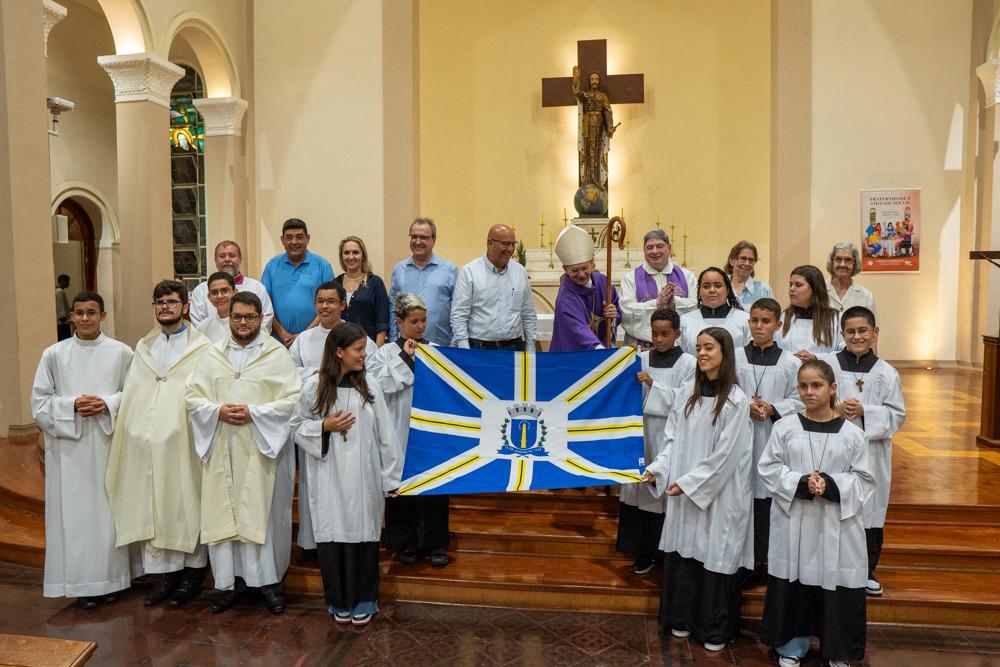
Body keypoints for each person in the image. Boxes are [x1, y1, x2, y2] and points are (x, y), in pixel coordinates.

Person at [186, 292, 302, 615]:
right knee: (226, 514)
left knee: (265, 516)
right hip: (222, 445)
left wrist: (255, 413)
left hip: (263, 449)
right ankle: (231, 583)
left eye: (250, 317)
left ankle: (269, 583)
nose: (243, 323)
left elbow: (293, 399)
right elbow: (192, 397)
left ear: (260, 318)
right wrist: (217, 411)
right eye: (237, 316)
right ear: (229, 318)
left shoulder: (276, 355)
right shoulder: (212, 355)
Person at [642, 327, 754, 652]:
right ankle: (682, 619)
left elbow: (726, 456)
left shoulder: (735, 401)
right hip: (682, 487)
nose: (702, 353)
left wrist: (689, 484)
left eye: (709, 348)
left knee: (714, 553)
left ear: (725, 353)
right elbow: (672, 440)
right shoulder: (686, 394)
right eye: (700, 348)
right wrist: (659, 468)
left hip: (719, 494)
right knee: (684, 551)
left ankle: (713, 629)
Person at [758, 360, 874, 667]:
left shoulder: (853, 434)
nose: (809, 392)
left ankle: (838, 650)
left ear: (832, 388)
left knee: (835, 582)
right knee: (795, 581)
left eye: (816, 385)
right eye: (803, 386)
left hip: (836, 523)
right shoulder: (785, 427)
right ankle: (791, 646)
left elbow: (865, 479)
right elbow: (768, 468)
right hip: (795, 518)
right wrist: (801, 482)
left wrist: (832, 484)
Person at [106, 280, 212, 608]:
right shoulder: (144, 346)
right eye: (159, 302)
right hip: (148, 441)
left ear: (185, 306)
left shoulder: (202, 347)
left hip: (184, 438)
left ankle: (193, 572)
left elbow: (205, 389)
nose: (165, 307)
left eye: (171, 302)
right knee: (157, 503)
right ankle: (168, 576)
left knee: (185, 501)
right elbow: (135, 389)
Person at [290, 323, 403, 626]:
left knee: (363, 536)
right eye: (358, 350)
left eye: (364, 349)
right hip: (328, 475)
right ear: (339, 352)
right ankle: (338, 600)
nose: (364, 355)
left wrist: (391, 478)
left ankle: (364, 599)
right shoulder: (315, 388)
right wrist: (323, 427)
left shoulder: (370, 386)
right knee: (332, 536)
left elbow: (386, 435)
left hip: (364, 478)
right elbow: (296, 427)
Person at [31, 291, 133, 608]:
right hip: (69, 451)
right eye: (79, 313)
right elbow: (39, 403)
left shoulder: (122, 353)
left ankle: (113, 580)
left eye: (91, 312)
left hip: (107, 444)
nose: (85, 318)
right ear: (71, 316)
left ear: (103, 315)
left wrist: (108, 403)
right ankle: (80, 583)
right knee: (75, 517)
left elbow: (134, 395)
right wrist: (72, 405)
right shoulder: (54, 354)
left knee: (108, 515)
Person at [818, 306, 905, 597]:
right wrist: (835, 407)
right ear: (842, 333)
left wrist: (866, 411)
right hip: (833, 448)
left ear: (874, 332)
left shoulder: (887, 373)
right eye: (850, 331)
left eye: (863, 331)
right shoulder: (828, 364)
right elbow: (810, 396)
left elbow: (897, 415)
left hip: (872, 453)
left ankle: (866, 570)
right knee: (833, 503)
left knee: (869, 510)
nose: (856, 337)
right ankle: (828, 567)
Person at [289, 280, 377, 560]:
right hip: (319, 422)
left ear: (343, 304)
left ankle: (350, 546)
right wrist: (317, 374)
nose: (324, 307)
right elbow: (289, 374)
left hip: (352, 423)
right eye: (320, 301)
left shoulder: (359, 337)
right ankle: (312, 541)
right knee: (316, 490)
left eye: (330, 301)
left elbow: (371, 373)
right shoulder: (304, 339)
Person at [374, 294, 450, 567]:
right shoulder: (385, 353)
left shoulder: (437, 351)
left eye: (423, 321)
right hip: (398, 426)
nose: (420, 326)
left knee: (433, 484)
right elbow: (381, 385)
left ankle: (436, 542)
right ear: (399, 322)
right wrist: (405, 356)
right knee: (401, 484)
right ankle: (407, 541)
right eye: (414, 321)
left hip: (430, 428)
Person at [618, 308, 695, 575]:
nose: (659, 339)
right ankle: (644, 551)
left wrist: (654, 385)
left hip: (670, 435)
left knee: (662, 492)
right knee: (639, 492)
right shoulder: (641, 358)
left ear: (677, 333)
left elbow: (688, 399)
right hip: (641, 432)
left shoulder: (689, 363)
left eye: (665, 334)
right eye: (654, 334)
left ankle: (666, 554)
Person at [733, 297, 802, 570]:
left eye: (765, 321)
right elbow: (726, 391)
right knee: (742, 496)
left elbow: (799, 399)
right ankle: (743, 560)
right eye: (754, 320)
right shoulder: (735, 356)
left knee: (767, 500)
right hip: (740, 435)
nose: (759, 326)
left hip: (774, 437)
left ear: (778, 325)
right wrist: (745, 407)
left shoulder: (790, 363)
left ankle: (765, 561)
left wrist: (774, 408)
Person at [451, 224, 537, 351]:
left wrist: (530, 346)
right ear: (490, 243)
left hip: (513, 347)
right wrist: (465, 350)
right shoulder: (469, 272)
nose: (510, 249)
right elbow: (459, 315)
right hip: (480, 348)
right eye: (506, 244)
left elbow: (528, 313)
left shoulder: (520, 272)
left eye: (513, 244)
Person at [262, 219, 335, 348]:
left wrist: (304, 335)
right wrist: (281, 332)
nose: (294, 242)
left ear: (308, 239)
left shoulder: (322, 265)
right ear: (282, 240)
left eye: (299, 237)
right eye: (289, 237)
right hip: (279, 341)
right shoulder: (271, 266)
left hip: (315, 339)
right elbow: (265, 304)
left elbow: (329, 304)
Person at [620, 230, 698, 349]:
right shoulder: (630, 278)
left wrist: (674, 303)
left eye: (660, 246)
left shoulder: (687, 276)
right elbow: (626, 312)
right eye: (649, 247)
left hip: (679, 347)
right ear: (644, 250)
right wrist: (656, 304)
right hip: (643, 349)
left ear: (669, 248)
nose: (655, 251)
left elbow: (697, 307)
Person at [549, 224, 621, 351]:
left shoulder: (602, 282)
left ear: (592, 263)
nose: (581, 274)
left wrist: (613, 314)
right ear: (565, 269)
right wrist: (599, 349)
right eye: (574, 270)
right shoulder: (565, 296)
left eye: (584, 268)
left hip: (600, 349)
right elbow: (577, 330)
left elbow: (618, 310)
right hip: (574, 355)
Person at [388, 218, 457, 346]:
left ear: (433, 240)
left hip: (440, 346)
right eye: (414, 237)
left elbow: (457, 309)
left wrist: (454, 342)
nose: (418, 241)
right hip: (405, 346)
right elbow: (393, 307)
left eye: (423, 237)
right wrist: (393, 340)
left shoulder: (449, 270)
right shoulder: (399, 269)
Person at [189, 240, 274, 331]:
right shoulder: (201, 290)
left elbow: (266, 317)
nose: (227, 259)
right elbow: (198, 325)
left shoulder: (256, 287)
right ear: (215, 260)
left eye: (232, 255)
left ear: (240, 259)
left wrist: (249, 337)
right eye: (222, 256)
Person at [777, 265, 844, 361]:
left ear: (815, 289)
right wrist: (792, 358)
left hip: (823, 369)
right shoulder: (782, 317)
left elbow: (844, 351)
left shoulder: (835, 319)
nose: (792, 289)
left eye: (798, 285)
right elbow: (774, 349)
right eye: (790, 284)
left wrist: (816, 358)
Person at [678, 267, 750, 354]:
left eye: (718, 286)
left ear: (727, 290)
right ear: (699, 291)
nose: (712, 290)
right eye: (706, 286)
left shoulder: (745, 320)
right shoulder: (685, 321)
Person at [337, 236, 390, 346]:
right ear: (341, 257)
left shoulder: (375, 283)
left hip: (368, 350)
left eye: (355, 252)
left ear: (363, 256)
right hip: (341, 349)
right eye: (346, 253)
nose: (351, 257)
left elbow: (382, 323)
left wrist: (377, 352)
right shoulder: (335, 284)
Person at [826, 242, 878, 318]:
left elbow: (872, 325)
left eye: (848, 260)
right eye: (838, 259)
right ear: (832, 262)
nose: (842, 264)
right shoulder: (818, 291)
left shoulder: (866, 296)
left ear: (855, 263)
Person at [724, 241, 774, 310]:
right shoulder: (721, 287)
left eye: (751, 260)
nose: (747, 263)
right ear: (731, 261)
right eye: (742, 258)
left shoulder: (764, 289)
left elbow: (774, 314)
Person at [195, 271, 235, 343]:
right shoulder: (203, 328)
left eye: (225, 291)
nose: (219, 296)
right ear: (209, 297)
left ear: (235, 293)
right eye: (214, 292)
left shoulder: (246, 323)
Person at [55, 274, 71, 340]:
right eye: (68, 282)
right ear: (63, 281)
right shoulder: (60, 292)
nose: (69, 284)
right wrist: (63, 320)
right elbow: (61, 306)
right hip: (62, 322)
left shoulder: (57, 291)